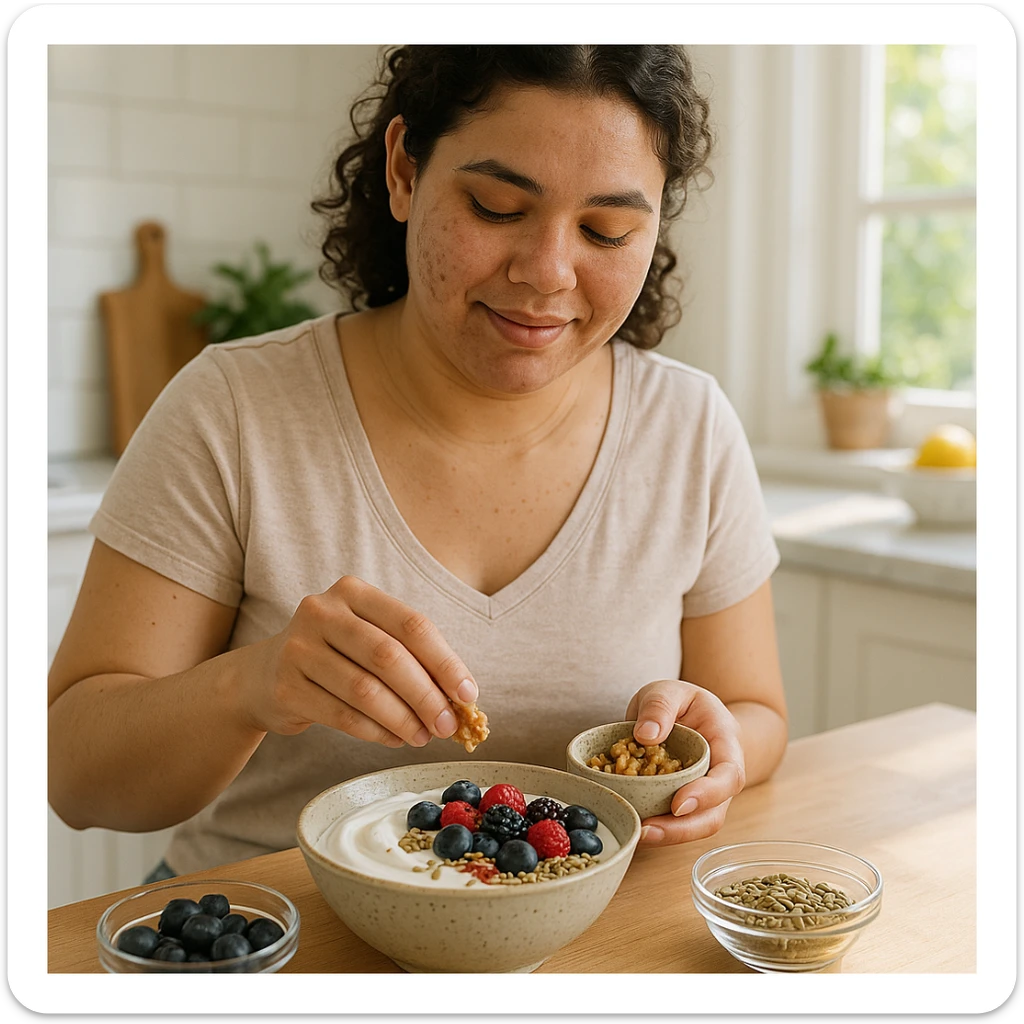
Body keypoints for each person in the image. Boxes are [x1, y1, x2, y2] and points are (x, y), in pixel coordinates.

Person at [47, 44, 788, 881]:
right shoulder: (233, 408)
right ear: (404, 170)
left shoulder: (690, 426)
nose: (547, 271)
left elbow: (754, 713)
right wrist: (252, 687)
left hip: (573, 938)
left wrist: (715, 743)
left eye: (606, 229)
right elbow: (77, 779)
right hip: (266, 940)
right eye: (498, 206)